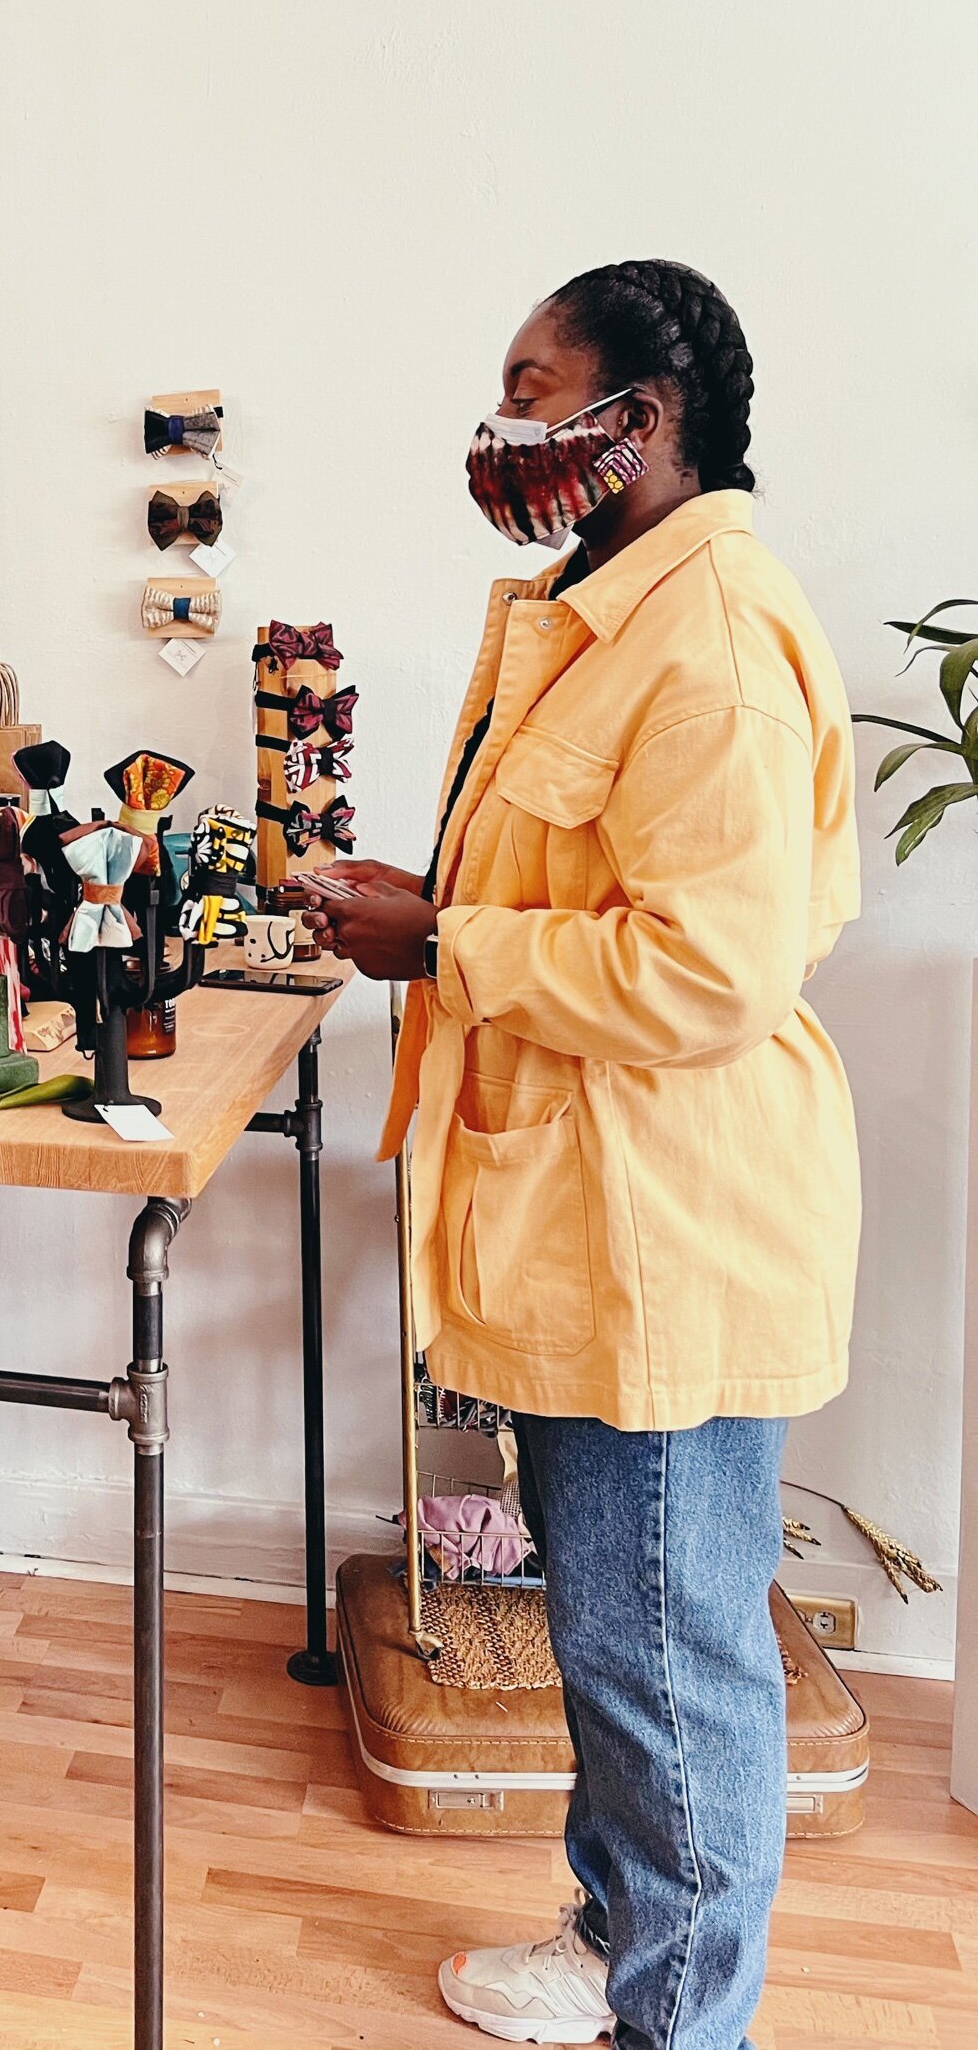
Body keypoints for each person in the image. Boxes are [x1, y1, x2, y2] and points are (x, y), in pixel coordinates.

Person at [304, 263, 859, 2050]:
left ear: (648, 415)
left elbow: (711, 970)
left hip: (667, 1226)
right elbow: (582, 885)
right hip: (591, 1215)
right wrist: (428, 906)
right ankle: (620, 1939)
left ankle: (677, 2023)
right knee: (620, 1639)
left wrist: (443, 944)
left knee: (667, 1665)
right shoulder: (597, 611)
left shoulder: (714, 645)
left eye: (533, 389)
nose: (502, 427)